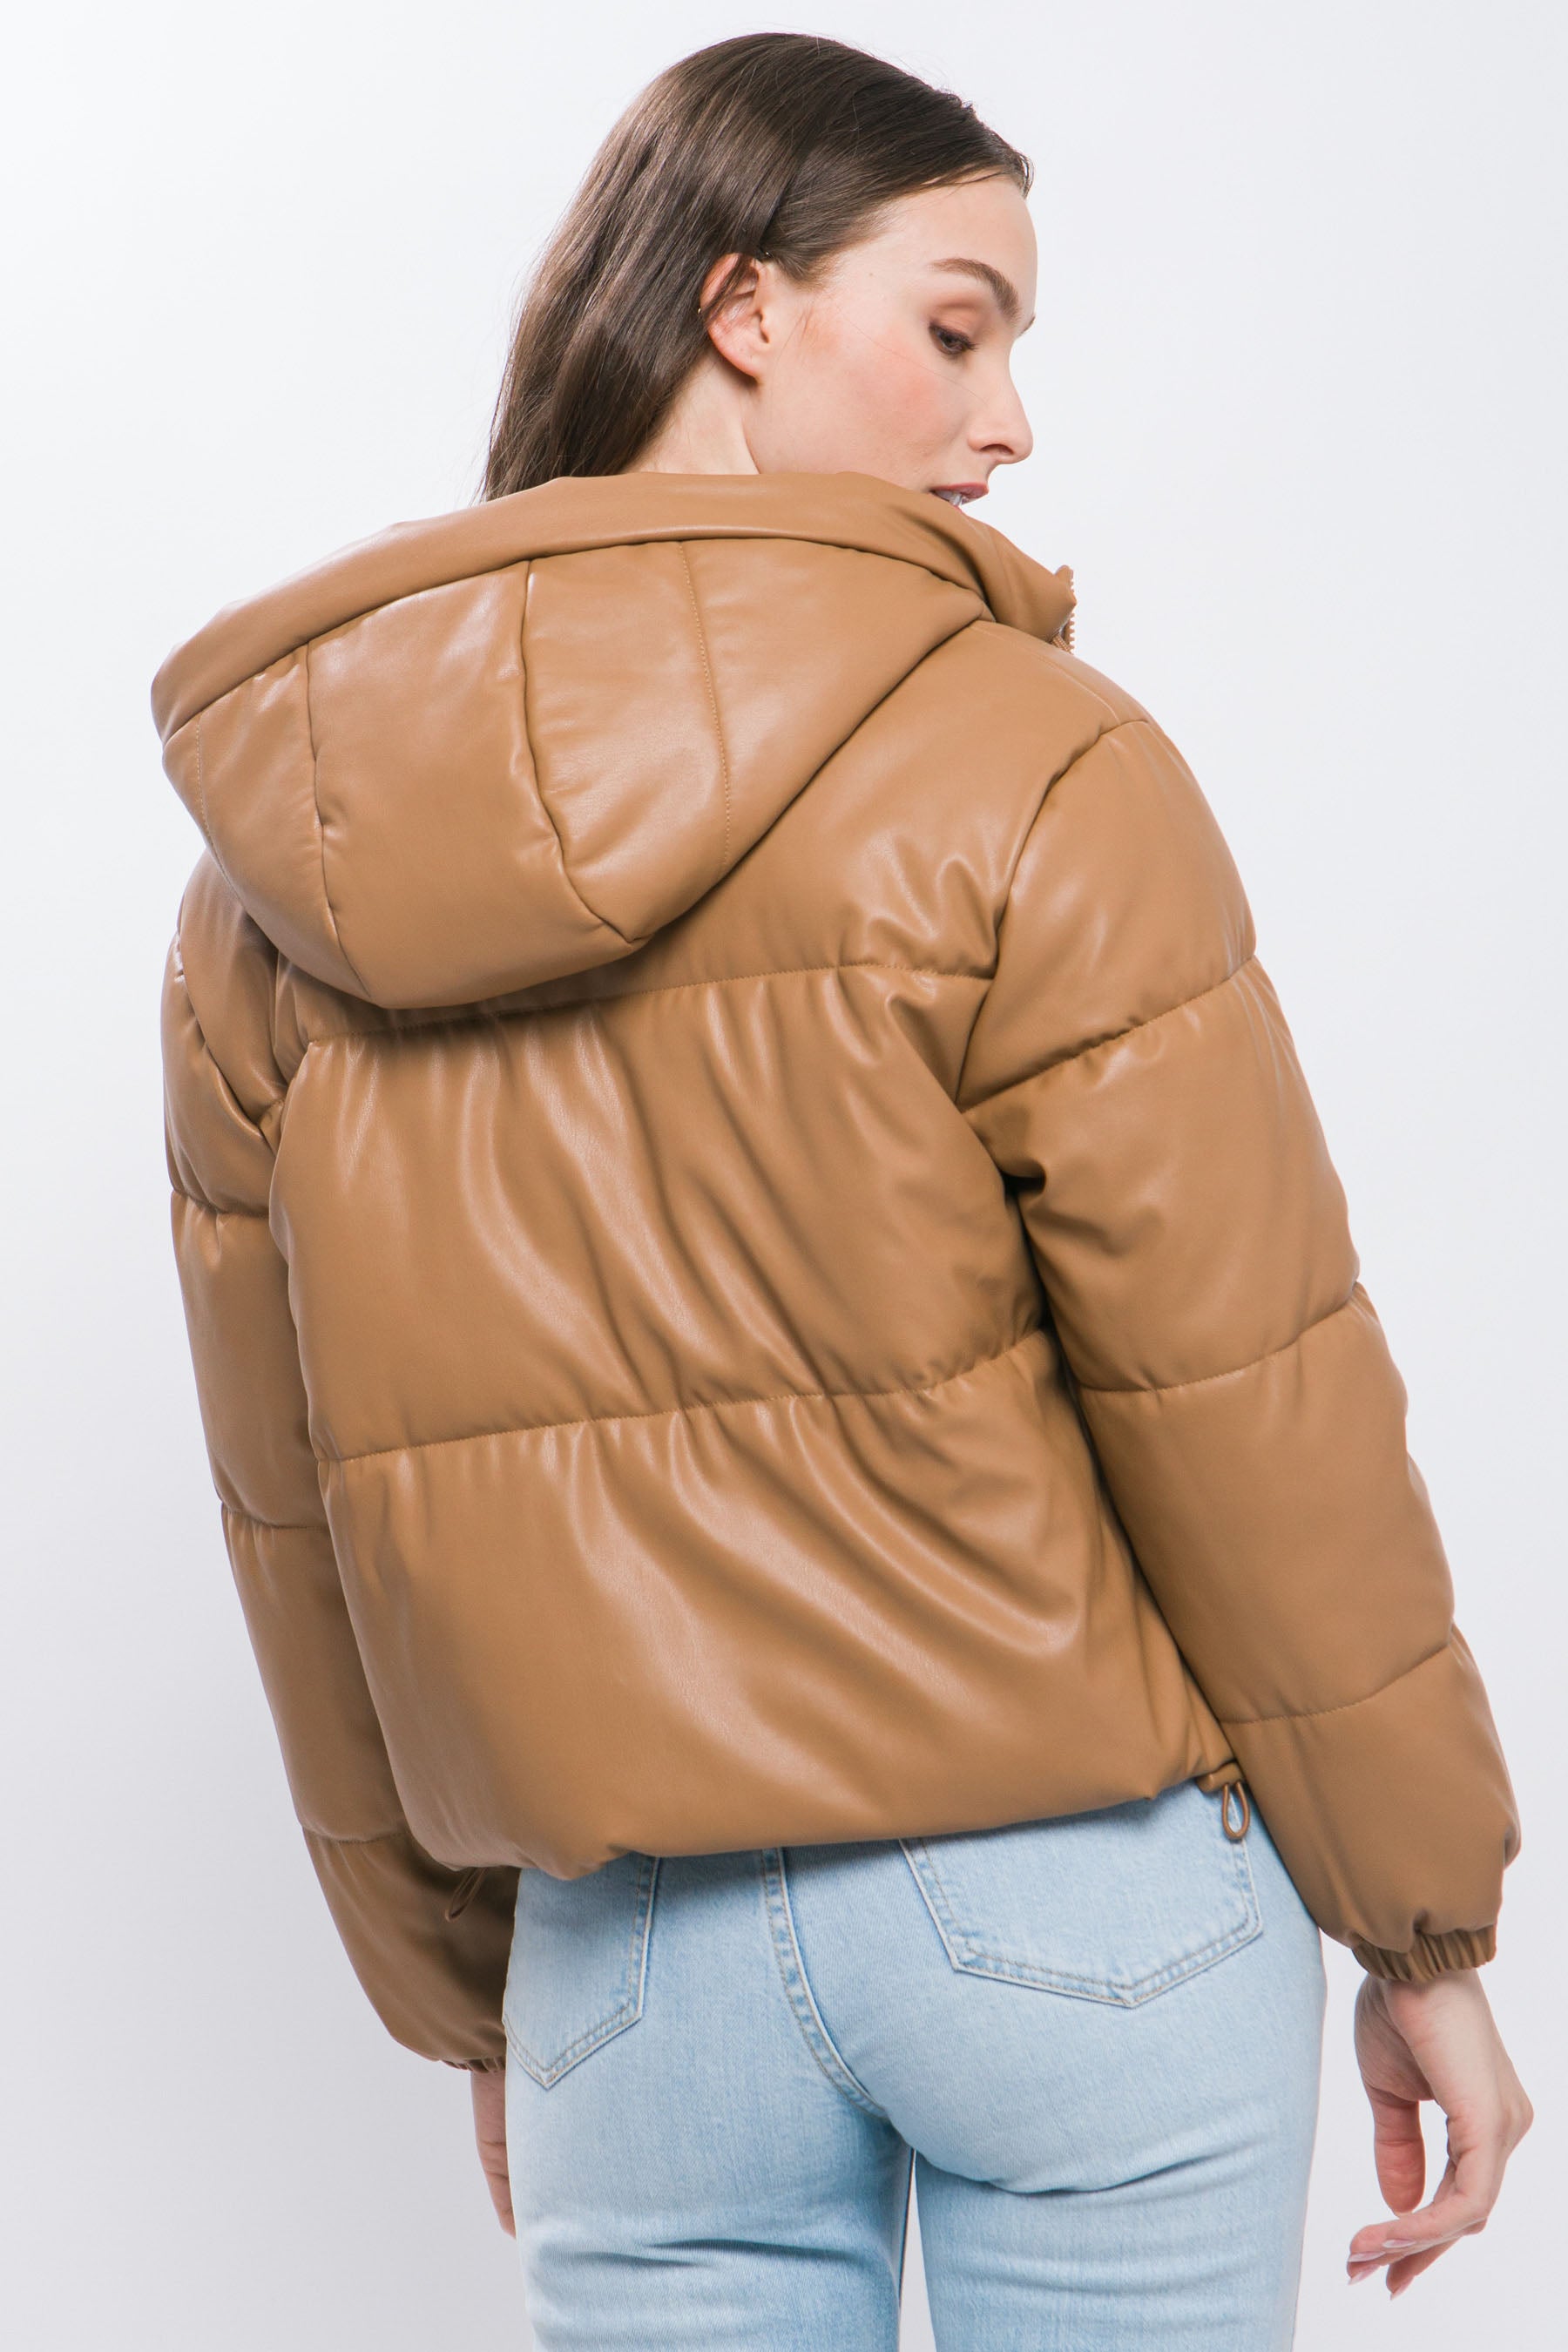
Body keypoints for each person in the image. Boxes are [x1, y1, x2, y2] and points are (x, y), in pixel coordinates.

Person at [152, 31, 1530, 2352]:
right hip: (1071, 1899)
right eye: (958, 329)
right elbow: (1243, 1390)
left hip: (630, 1965)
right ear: (745, 308)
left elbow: (296, 1511)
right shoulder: (1035, 765)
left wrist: (478, 1991)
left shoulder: (287, 868)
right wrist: (1422, 1923)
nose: (1011, 421)